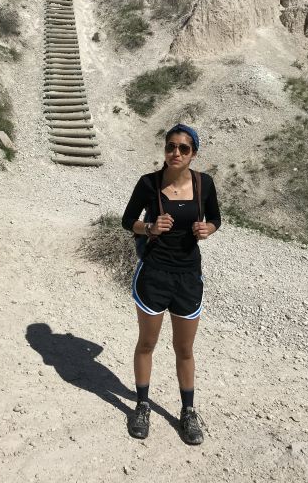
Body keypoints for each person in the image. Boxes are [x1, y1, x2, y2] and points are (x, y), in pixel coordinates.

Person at [121, 123, 221, 444]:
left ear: (194, 154)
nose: (175, 153)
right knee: (147, 344)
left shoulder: (204, 184)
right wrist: (149, 226)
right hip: (155, 274)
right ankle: (141, 405)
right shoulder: (148, 183)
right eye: (170, 147)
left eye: (183, 148)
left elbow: (216, 217)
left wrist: (209, 230)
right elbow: (127, 221)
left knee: (185, 348)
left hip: (189, 276)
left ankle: (188, 411)